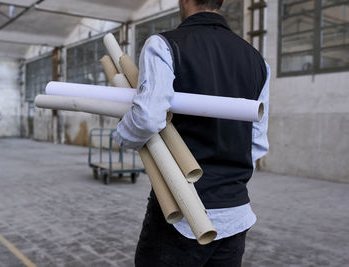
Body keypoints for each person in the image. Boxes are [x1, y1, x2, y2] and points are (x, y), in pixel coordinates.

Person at [113, 0, 270, 266]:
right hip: (236, 212)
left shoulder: (164, 45)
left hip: (181, 210)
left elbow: (148, 117)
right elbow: (257, 141)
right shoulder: (257, 59)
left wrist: (121, 136)